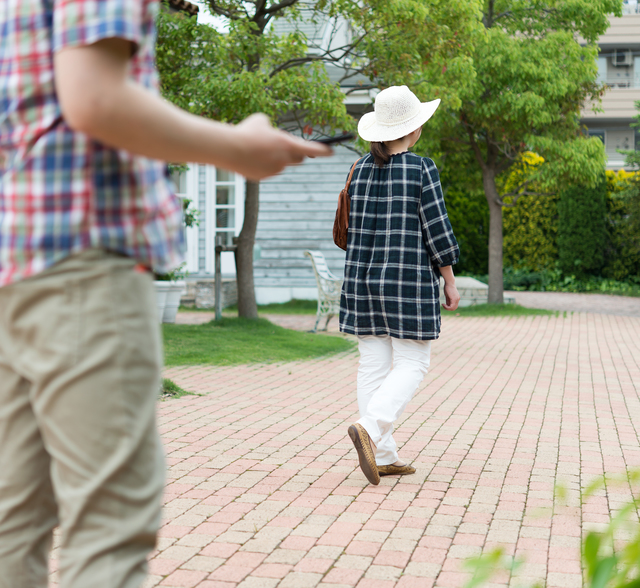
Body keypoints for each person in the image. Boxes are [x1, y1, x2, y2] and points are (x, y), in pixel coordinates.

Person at [0, 1, 331, 586]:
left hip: (14, 265)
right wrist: (237, 148)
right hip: (84, 261)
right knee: (107, 528)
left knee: (13, 522)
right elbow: (95, 98)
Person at [341, 85, 461, 486]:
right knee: (414, 361)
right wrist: (449, 280)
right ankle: (371, 430)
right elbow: (437, 230)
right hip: (406, 280)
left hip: (361, 278)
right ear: (416, 129)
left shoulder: (359, 169)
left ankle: (385, 453)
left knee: (373, 364)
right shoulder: (421, 168)